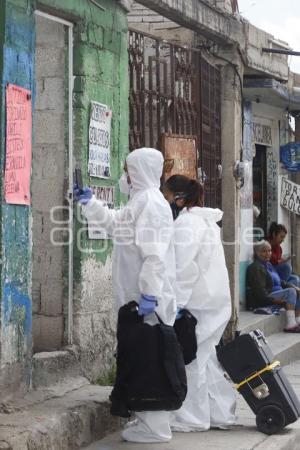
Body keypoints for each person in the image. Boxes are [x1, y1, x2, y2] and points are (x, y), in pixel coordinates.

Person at [74, 148, 177, 443]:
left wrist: (150, 295)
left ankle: (156, 428)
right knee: (140, 356)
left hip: (146, 300)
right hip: (137, 298)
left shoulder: (152, 205)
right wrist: (90, 203)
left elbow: (154, 256)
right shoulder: (140, 202)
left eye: (127, 170)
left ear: (139, 171)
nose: (124, 176)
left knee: (149, 360)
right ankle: (147, 420)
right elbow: (115, 225)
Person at [163, 174, 236, 432]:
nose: (166, 201)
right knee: (207, 359)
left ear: (179, 199)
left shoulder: (187, 226)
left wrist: (173, 307)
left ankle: (193, 418)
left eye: (167, 196)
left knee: (192, 361)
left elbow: (184, 270)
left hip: (198, 305)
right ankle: (220, 414)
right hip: (213, 302)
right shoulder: (204, 222)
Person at [246, 240, 300, 332]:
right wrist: (275, 301)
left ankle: (298, 320)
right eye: (264, 251)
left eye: (269, 250)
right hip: (263, 299)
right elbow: (260, 293)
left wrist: (294, 287)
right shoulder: (256, 268)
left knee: (295, 289)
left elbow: (280, 281)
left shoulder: (268, 264)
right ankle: (291, 325)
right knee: (291, 292)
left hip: (274, 293)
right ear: (257, 253)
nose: (268, 253)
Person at [267, 222, 299, 286]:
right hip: (268, 272)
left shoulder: (279, 248)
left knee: (296, 279)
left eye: (284, 237)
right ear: (274, 234)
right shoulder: (266, 245)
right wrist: (283, 260)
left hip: (277, 273)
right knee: (287, 267)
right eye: (281, 237)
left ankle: (284, 287)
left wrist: (282, 260)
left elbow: (278, 261)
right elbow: (273, 261)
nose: (283, 240)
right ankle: (280, 287)